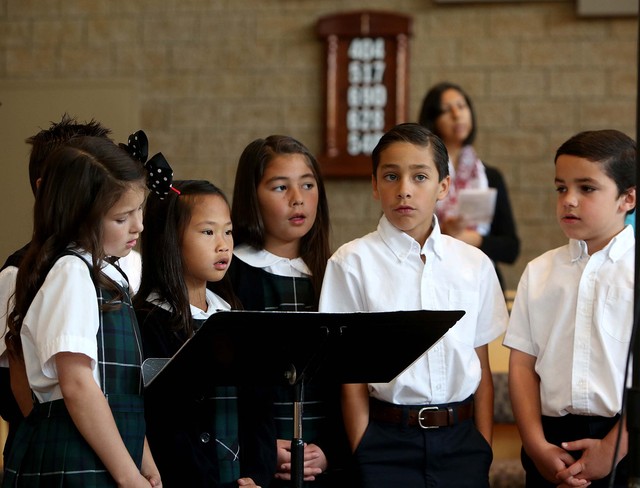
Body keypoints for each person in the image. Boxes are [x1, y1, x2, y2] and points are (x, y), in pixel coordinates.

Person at [318, 122, 509, 488]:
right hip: (385, 443)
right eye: (391, 176)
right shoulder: (351, 263)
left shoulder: (473, 264)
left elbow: (480, 367)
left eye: (419, 177)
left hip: (462, 441)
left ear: (443, 186)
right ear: (374, 185)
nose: (404, 190)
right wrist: (364, 449)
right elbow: (351, 377)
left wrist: (481, 445)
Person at [2, 136, 161, 486]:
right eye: (122, 217)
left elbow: (118, 393)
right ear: (79, 217)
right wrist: (129, 475)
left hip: (108, 451)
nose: (139, 225)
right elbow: (77, 385)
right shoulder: (72, 273)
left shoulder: (106, 272)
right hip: (76, 458)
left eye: (139, 210)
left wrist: (144, 459)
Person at [504, 129, 636, 488]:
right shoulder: (541, 271)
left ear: (628, 197)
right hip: (549, 440)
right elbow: (522, 366)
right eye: (561, 188)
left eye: (586, 188)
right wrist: (535, 445)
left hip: (624, 437)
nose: (569, 200)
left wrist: (617, 444)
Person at [0, 114, 125, 470]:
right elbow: (16, 389)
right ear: (49, 188)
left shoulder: (114, 265)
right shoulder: (18, 273)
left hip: (109, 443)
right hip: (60, 453)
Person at [226, 135, 351, 487]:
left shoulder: (334, 273)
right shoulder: (227, 275)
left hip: (322, 459)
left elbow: (348, 378)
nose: (298, 199)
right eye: (280, 187)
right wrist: (262, 448)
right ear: (252, 196)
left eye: (308, 185)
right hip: (251, 460)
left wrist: (328, 450)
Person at [133, 179, 273, 488]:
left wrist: (257, 475)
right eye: (208, 232)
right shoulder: (147, 321)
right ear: (170, 239)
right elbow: (163, 423)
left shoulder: (234, 317)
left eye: (228, 231)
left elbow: (258, 412)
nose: (223, 244)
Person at [418, 81, 520, 288]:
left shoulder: (489, 177)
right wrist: (443, 232)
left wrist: (471, 238)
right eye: (447, 110)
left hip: (481, 282)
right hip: (432, 281)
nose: (457, 114)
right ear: (432, 120)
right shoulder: (420, 176)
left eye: (462, 106)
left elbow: (511, 249)